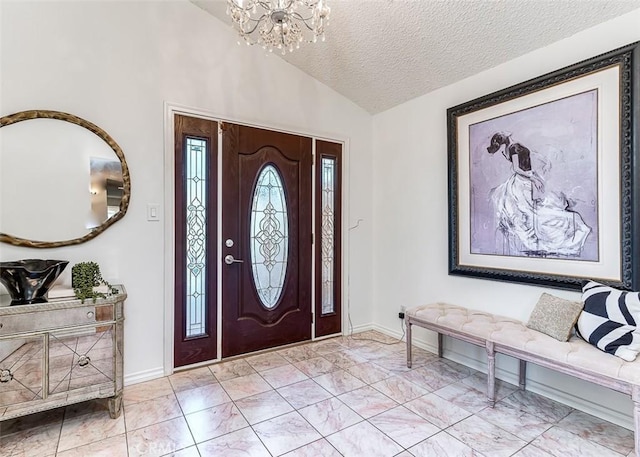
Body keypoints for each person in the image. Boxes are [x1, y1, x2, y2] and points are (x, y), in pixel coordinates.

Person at [486, 132, 590, 257]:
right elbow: (516, 169)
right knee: (533, 211)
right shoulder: (513, 148)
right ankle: (547, 236)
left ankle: (549, 231)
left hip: (527, 178)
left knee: (537, 207)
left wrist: (542, 161)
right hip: (523, 181)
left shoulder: (510, 149)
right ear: (505, 137)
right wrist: (533, 178)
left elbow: (527, 156)